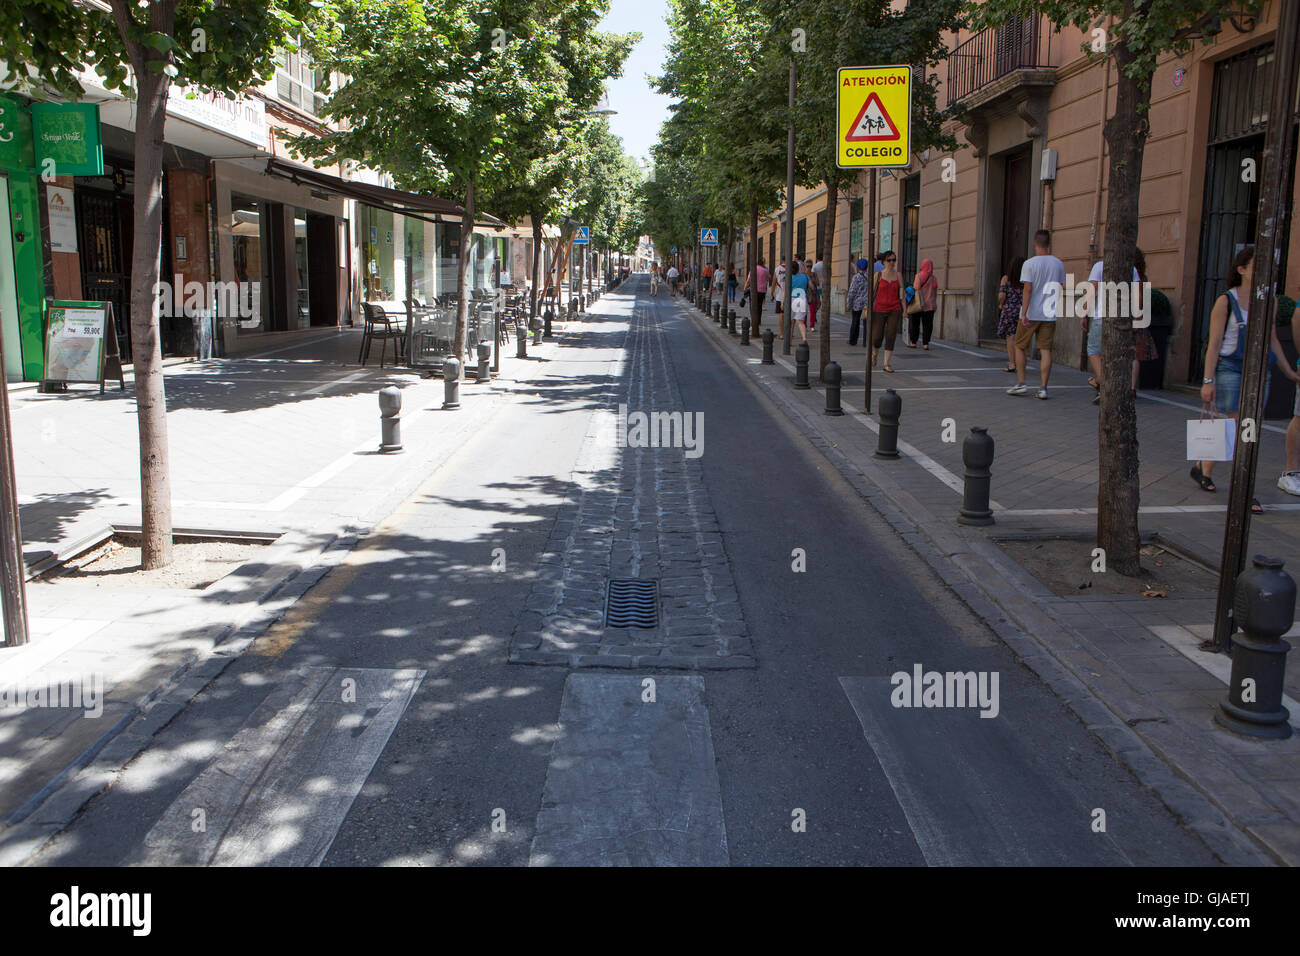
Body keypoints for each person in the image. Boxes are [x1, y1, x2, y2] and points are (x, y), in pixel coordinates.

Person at [1195, 245, 1299, 509]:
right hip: (1229, 368)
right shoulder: (1225, 301)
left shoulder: (1270, 302)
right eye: (1258, 266)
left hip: (1259, 371)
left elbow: (1272, 339)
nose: (1268, 272)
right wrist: (1208, 381)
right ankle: (1244, 491)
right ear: (1242, 270)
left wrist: (1290, 372)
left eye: (1270, 267)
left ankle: (1203, 468)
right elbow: (1215, 343)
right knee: (1243, 427)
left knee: (1236, 427)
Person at [1008, 229, 1066, 400]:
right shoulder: (1058, 264)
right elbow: (1061, 287)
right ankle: (1043, 388)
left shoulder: (1029, 264)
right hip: (1049, 312)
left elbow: (1028, 289)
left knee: (1019, 346)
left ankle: (1021, 383)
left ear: (1035, 244)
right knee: (1045, 350)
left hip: (1031, 312)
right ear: (1049, 244)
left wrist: (1023, 313)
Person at [1083, 253, 1142, 406]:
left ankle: (1104, 384)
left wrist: (1084, 313)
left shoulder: (1099, 266)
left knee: (1094, 350)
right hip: (1123, 318)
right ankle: (1105, 385)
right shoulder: (1132, 268)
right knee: (1117, 354)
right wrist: (1136, 316)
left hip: (1101, 317)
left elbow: (1091, 291)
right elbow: (1138, 296)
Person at [870, 250, 903, 373]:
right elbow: (872, 293)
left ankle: (886, 364)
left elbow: (901, 293)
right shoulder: (878, 275)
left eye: (894, 260)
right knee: (877, 337)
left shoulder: (898, 275)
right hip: (879, 309)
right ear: (884, 262)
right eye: (889, 260)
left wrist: (904, 310)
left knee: (891, 335)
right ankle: (875, 354)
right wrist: (867, 307)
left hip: (894, 309)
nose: (892, 262)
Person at [997, 257, 1026, 372]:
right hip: (1022, 310)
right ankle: (1021, 364)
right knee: (1020, 339)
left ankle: (1012, 364)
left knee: (1010, 338)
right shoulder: (1025, 280)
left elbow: (1002, 295)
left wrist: (1001, 304)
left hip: (1009, 310)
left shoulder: (1006, 278)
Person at [907, 258, 938, 349]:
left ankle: (913, 342)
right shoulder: (933, 278)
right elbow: (935, 290)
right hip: (930, 305)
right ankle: (925, 344)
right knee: (928, 325)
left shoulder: (919, 276)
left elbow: (916, 289)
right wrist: (935, 303)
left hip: (919, 304)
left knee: (915, 323)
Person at [846, 258, 871, 346]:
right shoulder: (870, 276)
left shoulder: (856, 277)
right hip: (867, 303)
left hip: (857, 303)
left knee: (855, 322)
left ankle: (853, 340)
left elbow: (852, 291)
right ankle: (866, 341)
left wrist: (849, 303)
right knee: (866, 323)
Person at [789, 260, 810, 344]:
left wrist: (783, 303)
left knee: (791, 322)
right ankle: (804, 338)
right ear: (798, 268)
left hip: (792, 299)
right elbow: (812, 286)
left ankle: (789, 341)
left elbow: (785, 291)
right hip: (802, 298)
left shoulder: (789, 277)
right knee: (800, 321)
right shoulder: (805, 276)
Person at [773, 258, 787, 337]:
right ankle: (789, 333)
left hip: (779, 296)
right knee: (789, 314)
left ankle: (782, 334)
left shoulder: (777, 269)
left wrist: (772, 293)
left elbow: (774, 281)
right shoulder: (791, 268)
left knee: (781, 314)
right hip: (789, 296)